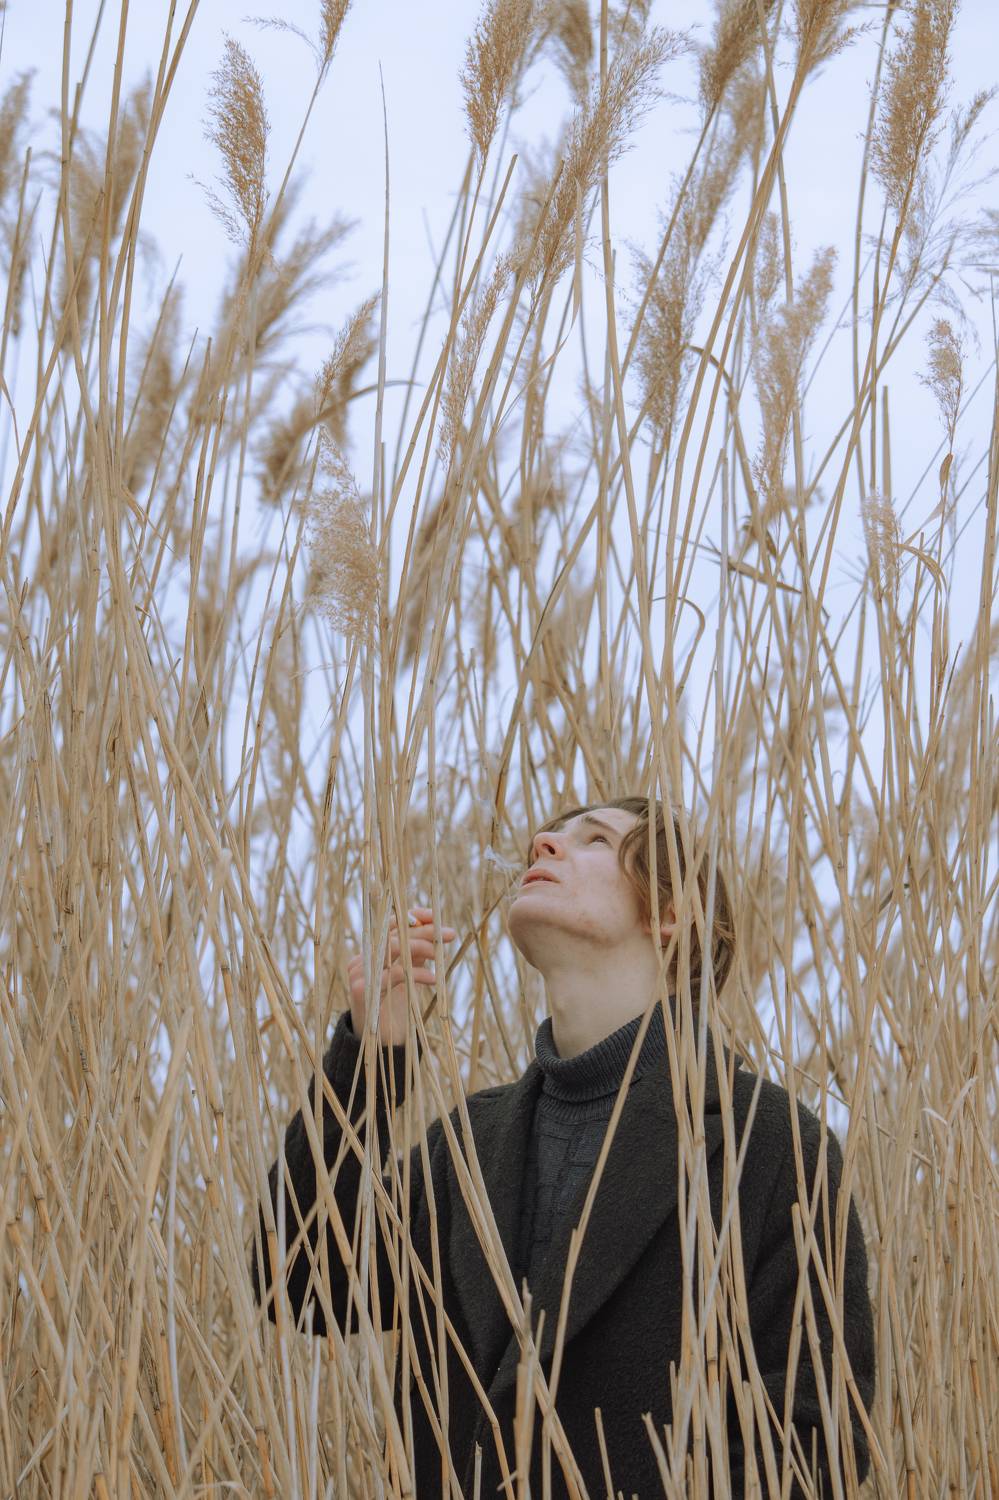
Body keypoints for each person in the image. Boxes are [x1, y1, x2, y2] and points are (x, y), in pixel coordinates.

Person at [250, 798, 877, 1498]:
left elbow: (810, 1446)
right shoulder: (470, 1141)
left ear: (673, 915)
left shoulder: (765, 1142)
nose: (543, 844)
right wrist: (368, 1063)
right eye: (547, 837)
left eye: (595, 840)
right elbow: (297, 1281)